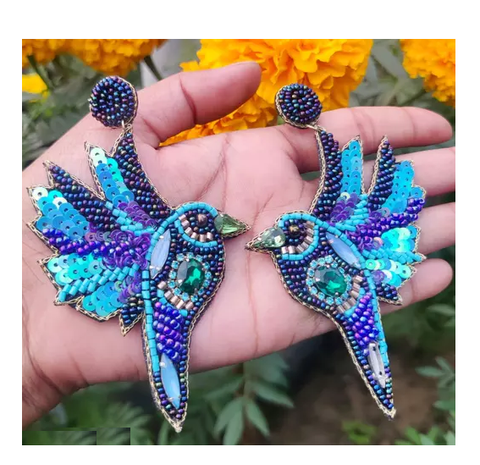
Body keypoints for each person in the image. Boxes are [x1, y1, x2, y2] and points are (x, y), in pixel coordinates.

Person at [22, 62, 455, 428]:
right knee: (168, 350)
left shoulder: (331, 234)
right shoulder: (155, 240)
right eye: (206, 226)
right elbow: (121, 187)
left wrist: (321, 137)